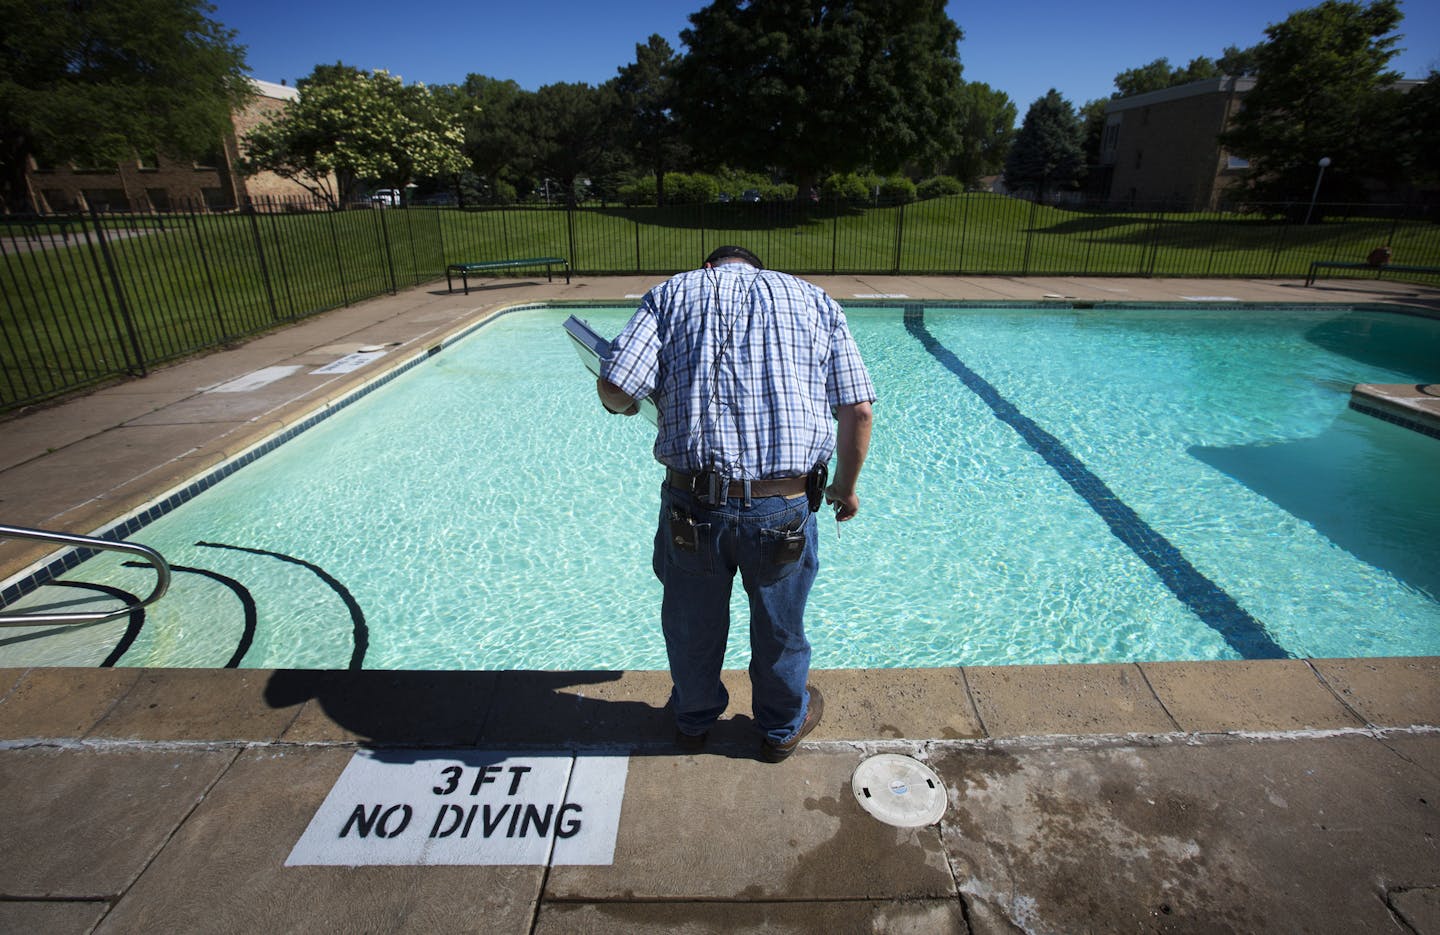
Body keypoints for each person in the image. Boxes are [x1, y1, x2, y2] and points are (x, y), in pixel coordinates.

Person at [596, 245, 875, 763]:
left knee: (691, 623)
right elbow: (857, 410)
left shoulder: (672, 293)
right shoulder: (813, 300)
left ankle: (694, 721)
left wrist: (628, 404)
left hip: (692, 505)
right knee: (780, 627)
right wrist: (846, 487)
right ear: (760, 271)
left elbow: (615, 386)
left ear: (708, 268)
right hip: (783, 504)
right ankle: (779, 729)